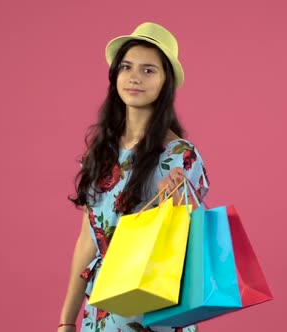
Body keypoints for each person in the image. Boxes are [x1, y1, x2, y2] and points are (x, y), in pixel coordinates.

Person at [58, 22, 209, 332]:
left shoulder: (179, 155)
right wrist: (67, 320)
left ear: (166, 82)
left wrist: (178, 201)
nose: (135, 77)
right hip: (101, 309)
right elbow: (89, 238)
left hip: (153, 313)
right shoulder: (102, 151)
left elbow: (186, 241)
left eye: (149, 70)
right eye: (127, 67)